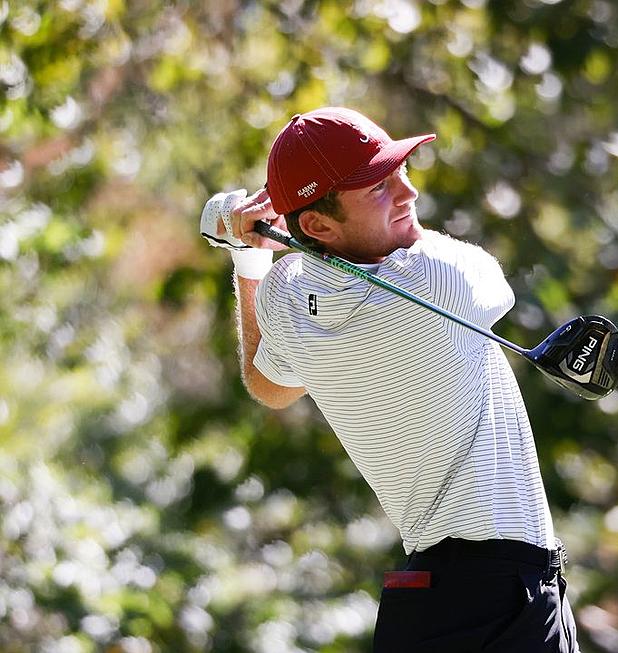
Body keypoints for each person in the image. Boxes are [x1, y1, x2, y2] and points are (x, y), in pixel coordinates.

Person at [199, 107, 579, 652]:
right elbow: (501, 287)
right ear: (319, 225)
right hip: (504, 597)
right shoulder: (439, 281)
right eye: (377, 187)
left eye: (400, 171)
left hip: (421, 604)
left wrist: (248, 254)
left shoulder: (287, 300)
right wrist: (270, 242)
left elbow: (268, 384)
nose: (408, 194)